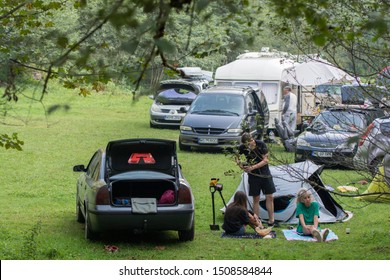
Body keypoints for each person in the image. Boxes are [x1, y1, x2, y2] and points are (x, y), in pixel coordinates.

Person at [236, 132, 276, 227]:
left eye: (250, 143)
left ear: (252, 140)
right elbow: (236, 157)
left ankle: (271, 221)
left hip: (265, 174)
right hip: (253, 176)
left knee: (269, 197)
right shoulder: (242, 147)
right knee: (256, 198)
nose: (249, 145)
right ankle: (257, 222)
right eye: (247, 145)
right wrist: (241, 165)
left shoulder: (261, 144)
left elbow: (266, 160)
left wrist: (252, 167)